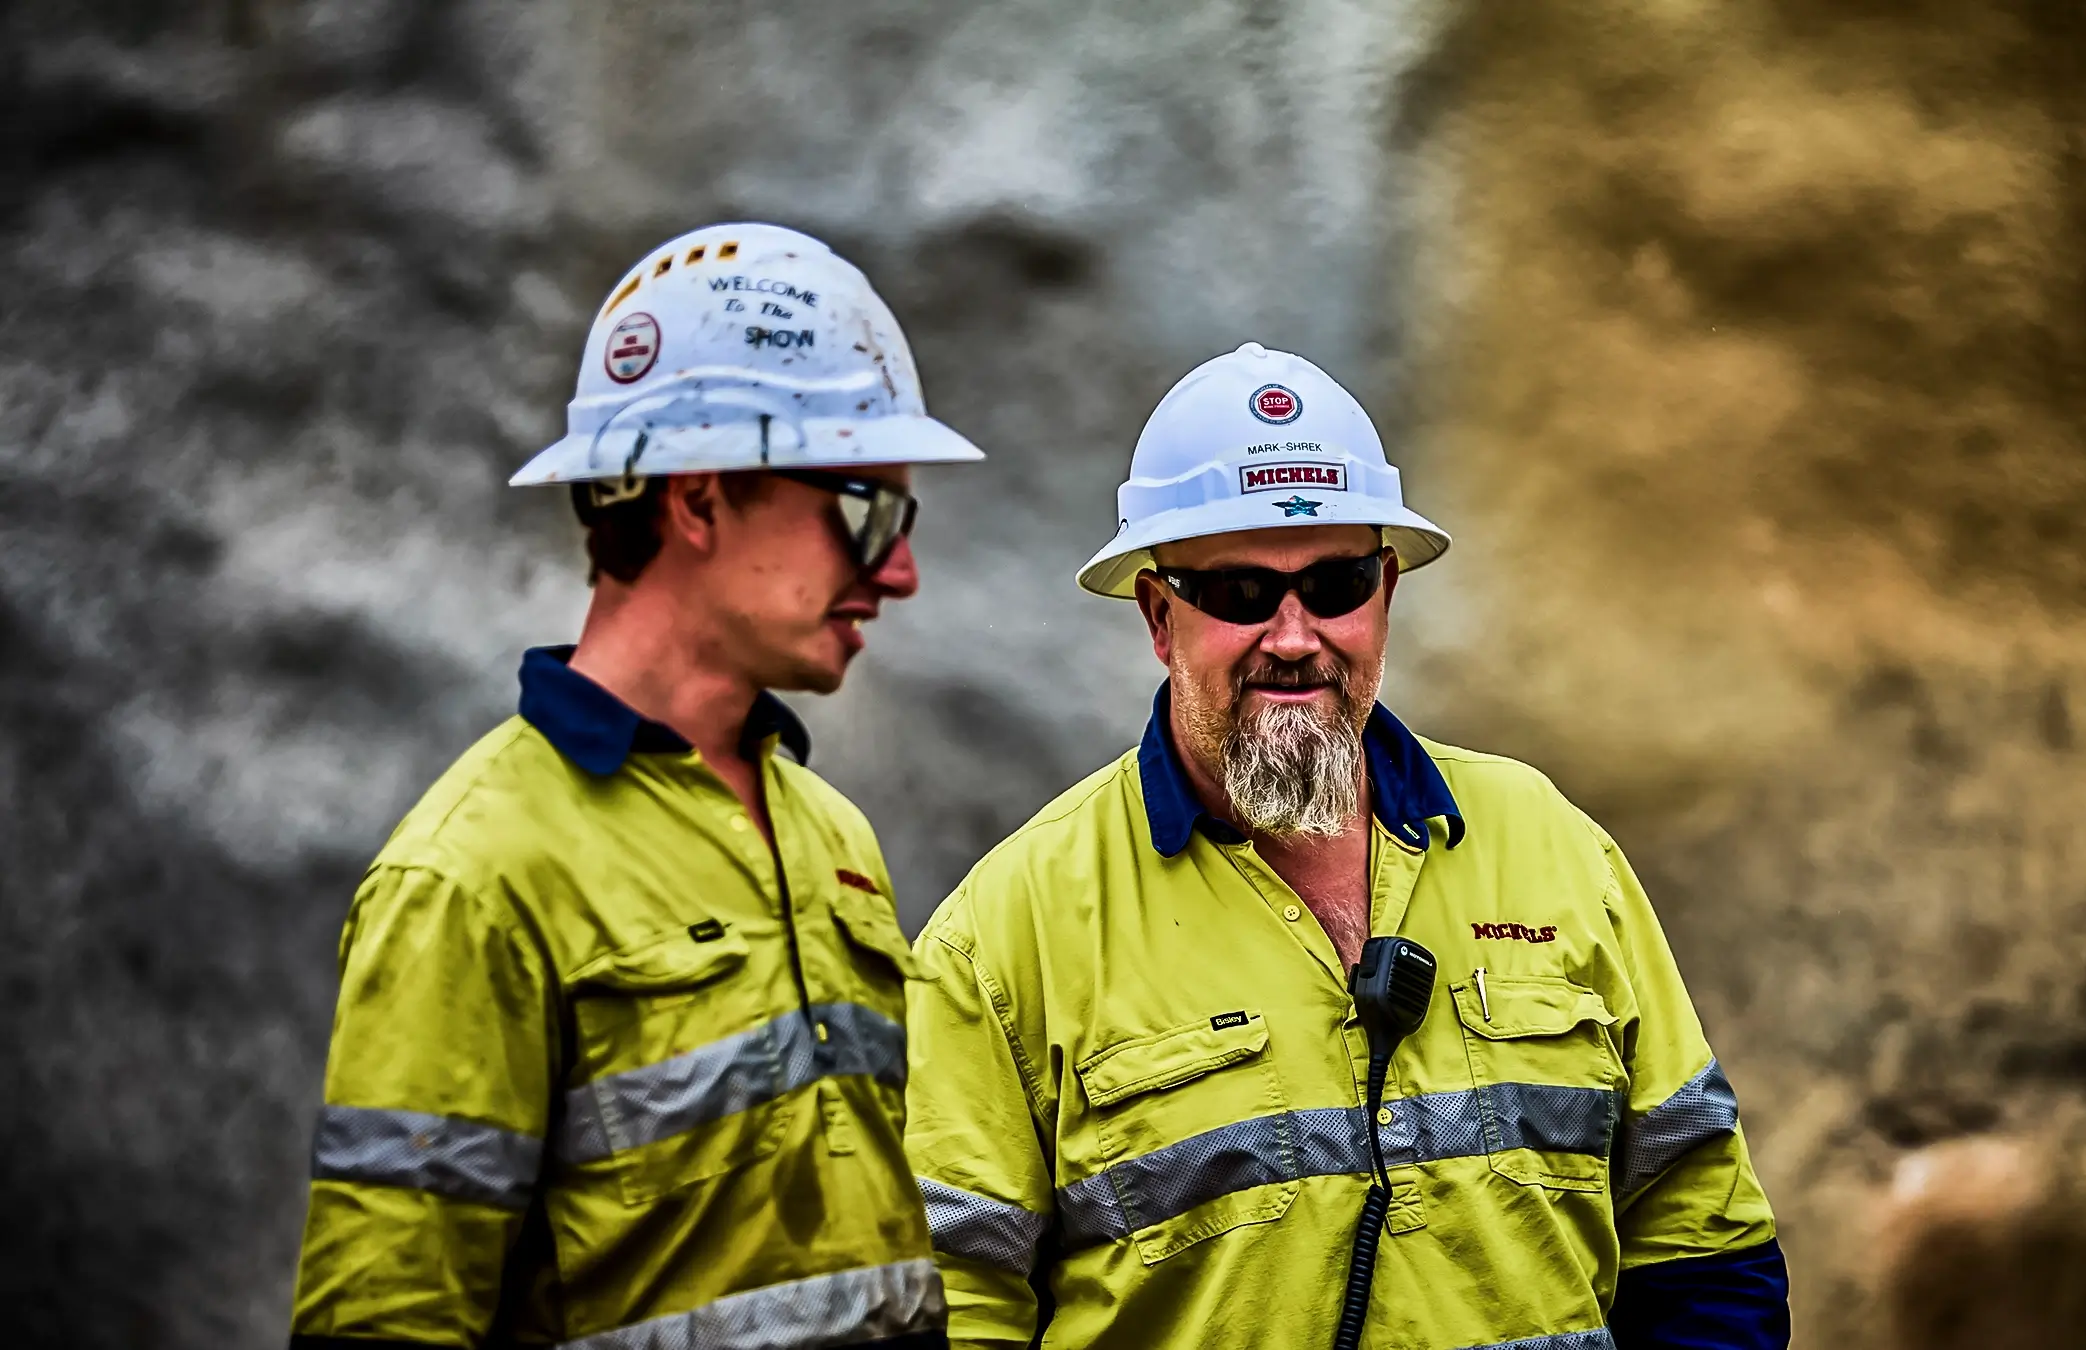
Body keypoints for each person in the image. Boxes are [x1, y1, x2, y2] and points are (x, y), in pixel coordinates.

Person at [903, 343, 1787, 1349]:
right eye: (1241, 593)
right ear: (1159, 616)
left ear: (1386, 594)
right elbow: (952, 1311)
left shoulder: (1554, 847)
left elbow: (1702, 1242)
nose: (1293, 637)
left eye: (1335, 584)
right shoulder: (1006, 936)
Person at [289, 223, 979, 1350]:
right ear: (698, 501)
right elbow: (387, 1322)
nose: (897, 570)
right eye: (864, 509)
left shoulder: (830, 836)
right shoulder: (469, 877)